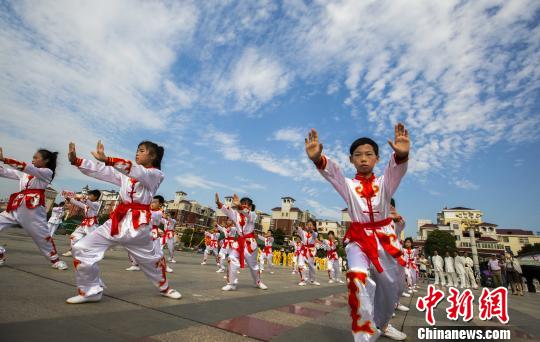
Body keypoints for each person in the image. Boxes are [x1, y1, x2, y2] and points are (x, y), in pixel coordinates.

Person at [306, 123, 410, 341]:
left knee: (392, 286)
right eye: (358, 155)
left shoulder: (385, 183)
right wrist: (318, 159)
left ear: (377, 159)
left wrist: (402, 155)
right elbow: (332, 174)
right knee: (357, 277)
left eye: (369, 154)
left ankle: (383, 324)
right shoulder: (348, 185)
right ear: (351, 159)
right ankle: (364, 336)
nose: (363, 158)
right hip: (358, 239)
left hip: (385, 239)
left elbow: (396, 170)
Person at [66, 140, 181, 304]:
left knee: (150, 261)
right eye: (137, 150)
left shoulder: (155, 175)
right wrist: (76, 161)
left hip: (138, 227)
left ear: (153, 156)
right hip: (117, 221)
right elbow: (103, 171)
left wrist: (108, 159)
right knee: (82, 248)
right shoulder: (127, 176)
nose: (137, 153)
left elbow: (136, 172)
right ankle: (90, 291)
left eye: (141, 151)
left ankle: (165, 288)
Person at [0, 147, 67, 270]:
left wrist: (4, 159)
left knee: (42, 237)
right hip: (16, 207)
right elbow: (5, 172)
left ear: (46, 161)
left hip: (33, 211)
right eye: (33, 157)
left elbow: (27, 167)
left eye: (36, 158)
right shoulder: (25, 174)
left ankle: (55, 260)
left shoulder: (47, 173)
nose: (33, 160)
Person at [215, 193, 267, 291]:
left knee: (254, 266)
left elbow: (246, 212)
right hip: (239, 242)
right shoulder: (235, 214)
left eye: (247, 204)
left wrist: (239, 205)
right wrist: (218, 203)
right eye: (243, 203)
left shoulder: (253, 214)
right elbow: (227, 210)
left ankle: (258, 282)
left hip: (249, 244)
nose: (244, 205)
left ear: (251, 206)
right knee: (231, 258)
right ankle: (231, 284)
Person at [62, 190, 101, 257]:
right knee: (74, 235)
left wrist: (80, 196)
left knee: (92, 239)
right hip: (85, 223)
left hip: (92, 225)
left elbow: (87, 202)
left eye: (90, 195)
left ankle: (97, 253)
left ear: (95, 197)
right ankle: (72, 250)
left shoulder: (96, 204)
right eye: (88, 195)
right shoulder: (87, 205)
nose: (88, 196)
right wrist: (68, 198)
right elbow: (78, 203)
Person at [296, 220, 320, 286]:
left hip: (310, 251)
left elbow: (315, 235)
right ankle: (303, 280)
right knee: (300, 265)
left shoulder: (315, 233)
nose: (309, 226)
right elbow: (299, 230)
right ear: (306, 226)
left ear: (314, 227)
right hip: (303, 251)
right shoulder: (303, 233)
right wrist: (298, 226)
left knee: (311, 266)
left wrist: (312, 231)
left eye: (311, 225)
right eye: (308, 224)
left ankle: (313, 280)